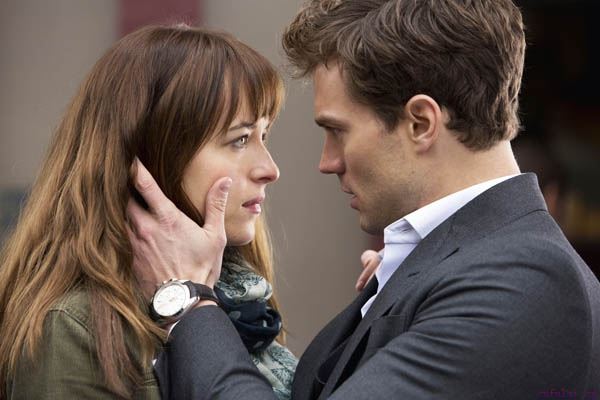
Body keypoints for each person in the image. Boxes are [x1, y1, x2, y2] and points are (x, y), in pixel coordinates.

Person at [128, 1, 600, 399]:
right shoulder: (464, 263)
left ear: (420, 123)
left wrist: (188, 299)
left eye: (337, 131)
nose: (327, 162)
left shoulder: (525, 281)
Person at [0, 24, 303, 399]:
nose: (270, 169)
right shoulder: (75, 327)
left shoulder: (246, 307)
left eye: (264, 135)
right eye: (239, 139)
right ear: (154, 159)